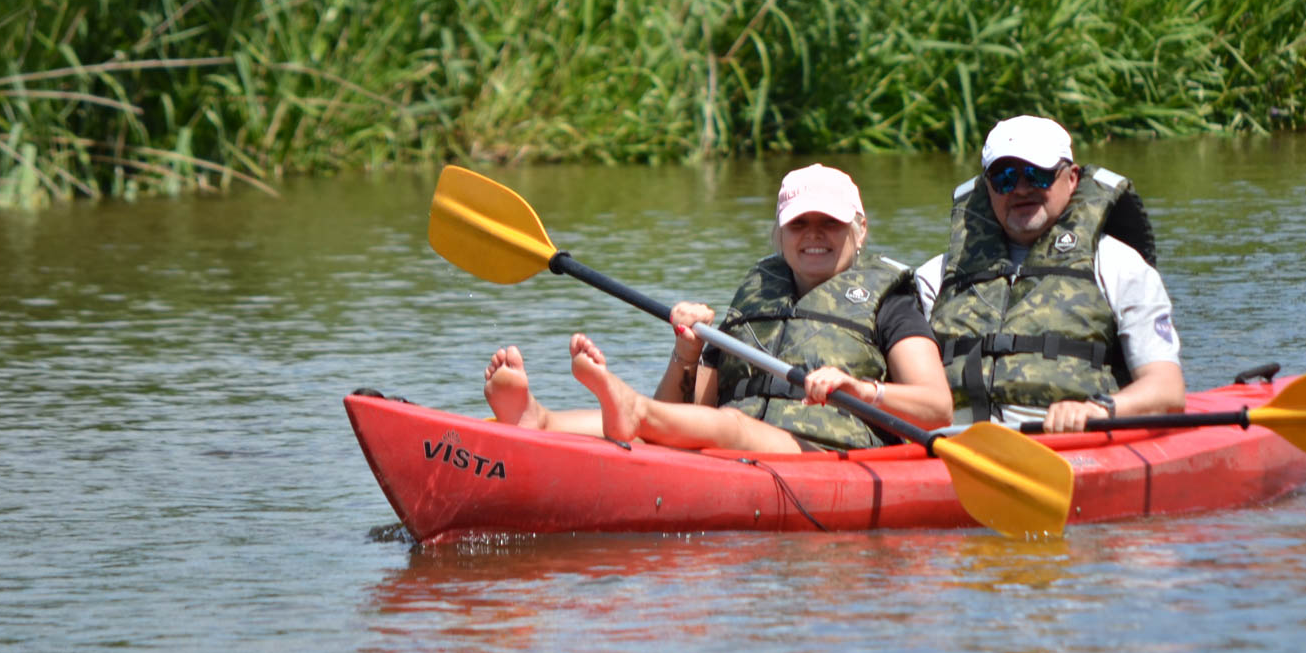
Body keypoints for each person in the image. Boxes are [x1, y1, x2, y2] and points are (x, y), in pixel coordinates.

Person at [484, 164, 952, 452]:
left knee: (725, 425)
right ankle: (540, 420)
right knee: (666, 422)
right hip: (738, 442)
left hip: (824, 451)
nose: (814, 234)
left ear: (860, 230)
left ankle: (626, 405)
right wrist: (685, 354)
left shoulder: (892, 304)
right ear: (779, 234)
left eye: (830, 222)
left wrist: (860, 388)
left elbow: (937, 408)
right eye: (799, 224)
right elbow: (687, 412)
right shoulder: (757, 296)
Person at [915, 115, 1185, 433]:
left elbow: (1167, 392)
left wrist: (1099, 409)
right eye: (1004, 178)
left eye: (1037, 175)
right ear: (987, 187)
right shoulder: (935, 278)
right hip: (952, 446)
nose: (1021, 189)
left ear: (1072, 178)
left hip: (1070, 443)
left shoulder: (1119, 265)